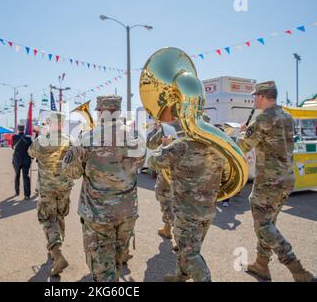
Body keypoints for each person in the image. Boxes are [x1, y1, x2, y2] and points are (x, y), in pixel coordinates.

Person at [237, 81, 316, 282]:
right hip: (287, 178)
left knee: (263, 226)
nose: (253, 99)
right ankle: (261, 264)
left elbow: (243, 147)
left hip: (268, 182)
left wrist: (240, 132)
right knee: (269, 222)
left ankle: (297, 269)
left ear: (263, 96)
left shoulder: (263, 119)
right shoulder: (287, 117)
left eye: (255, 95)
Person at [62, 95, 146, 282]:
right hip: (127, 212)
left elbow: (72, 172)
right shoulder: (136, 138)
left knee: (102, 271)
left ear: (100, 112)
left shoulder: (86, 138)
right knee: (116, 260)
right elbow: (139, 164)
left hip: (97, 215)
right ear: (119, 112)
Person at [148, 124, 228, 282]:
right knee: (192, 247)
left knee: (190, 253)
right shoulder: (219, 147)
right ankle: (181, 276)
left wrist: (164, 145)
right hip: (208, 209)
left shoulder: (181, 145)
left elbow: (153, 162)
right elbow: (225, 177)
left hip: (186, 212)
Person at [28, 112, 74, 276]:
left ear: (50, 123)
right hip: (64, 187)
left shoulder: (41, 140)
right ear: (63, 124)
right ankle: (57, 242)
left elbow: (31, 153)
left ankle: (57, 253)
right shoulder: (70, 140)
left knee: (48, 219)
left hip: (47, 187)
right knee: (60, 215)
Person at [12, 125, 32, 199]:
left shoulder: (14, 137)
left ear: (18, 129)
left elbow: (12, 146)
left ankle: (17, 191)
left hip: (17, 159)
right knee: (26, 177)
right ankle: (27, 195)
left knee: (17, 176)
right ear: (24, 129)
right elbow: (31, 148)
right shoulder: (28, 138)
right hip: (26, 159)